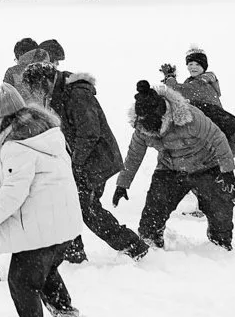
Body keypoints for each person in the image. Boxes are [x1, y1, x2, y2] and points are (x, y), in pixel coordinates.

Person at [0, 85, 87, 317]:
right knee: (44, 274)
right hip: (63, 223)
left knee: (22, 280)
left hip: (40, 226)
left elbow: (14, 191)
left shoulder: (17, 146)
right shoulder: (47, 134)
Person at [19, 62, 148, 263]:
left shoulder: (77, 94)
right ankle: (74, 253)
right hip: (85, 160)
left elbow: (89, 133)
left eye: (34, 86)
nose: (34, 92)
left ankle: (132, 245)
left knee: (86, 209)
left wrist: (76, 164)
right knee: (69, 204)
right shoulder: (60, 94)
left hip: (97, 160)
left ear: (44, 80)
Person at [114, 81, 235, 251]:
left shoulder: (190, 117)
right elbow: (134, 154)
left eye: (152, 125)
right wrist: (122, 184)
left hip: (206, 166)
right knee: (154, 211)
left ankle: (220, 244)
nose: (148, 129)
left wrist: (227, 171)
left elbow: (217, 137)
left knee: (220, 211)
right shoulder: (142, 127)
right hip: (169, 169)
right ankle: (150, 245)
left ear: (163, 115)